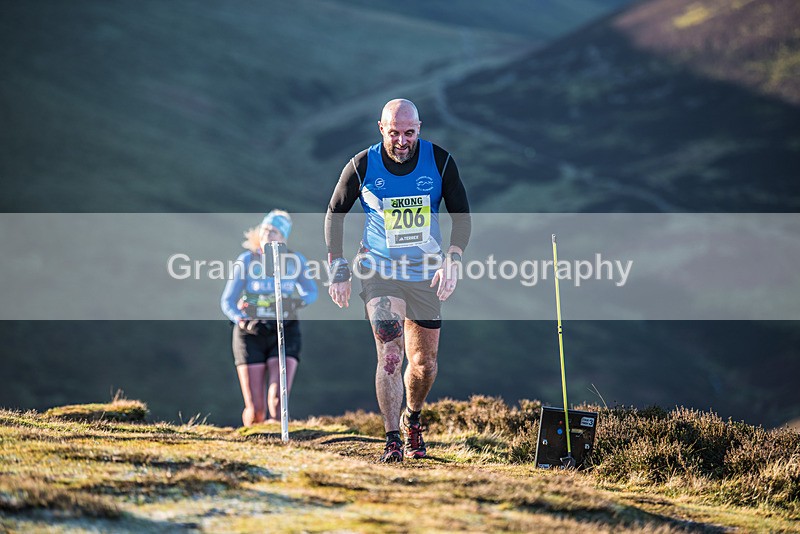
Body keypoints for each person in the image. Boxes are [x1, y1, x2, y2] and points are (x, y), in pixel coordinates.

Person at [324, 99, 471, 462]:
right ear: (381, 128)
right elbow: (335, 212)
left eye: (409, 133)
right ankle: (391, 439)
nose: (402, 141)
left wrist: (452, 259)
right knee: (391, 355)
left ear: (419, 128)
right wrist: (337, 266)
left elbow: (462, 217)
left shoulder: (440, 161)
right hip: (379, 271)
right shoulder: (362, 165)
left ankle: (412, 419)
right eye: (394, 133)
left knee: (425, 364)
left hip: (425, 274)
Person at [221, 210, 318, 426]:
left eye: (273, 231)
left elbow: (311, 291)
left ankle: (280, 449)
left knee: (278, 403)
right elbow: (227, 301)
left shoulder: (295, 261)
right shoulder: (247, 260)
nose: (267, 234)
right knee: (256, 410)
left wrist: (297, 302)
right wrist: (244, 321)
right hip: (251, 334)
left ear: (283, 237)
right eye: (264, 229)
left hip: (285, 330)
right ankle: (252, 444)